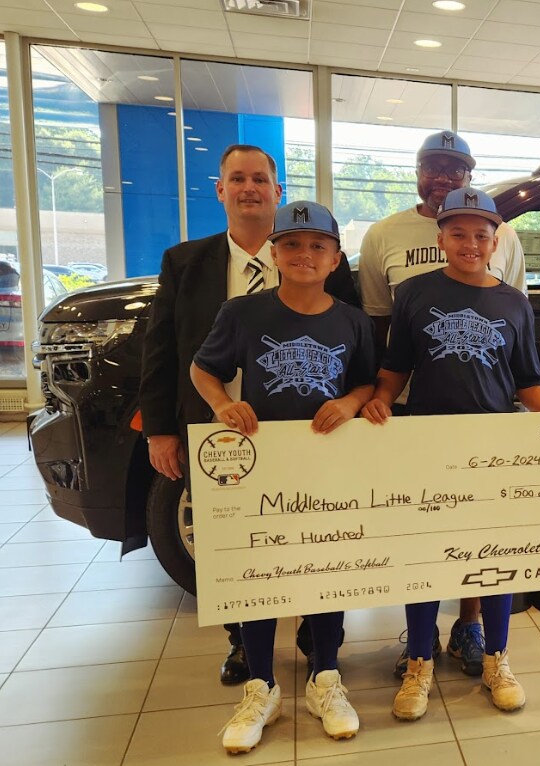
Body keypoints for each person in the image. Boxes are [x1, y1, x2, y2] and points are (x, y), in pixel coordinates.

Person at [139, 144, 358, 686]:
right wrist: (161, 431)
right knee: (231, 543)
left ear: (277, 191)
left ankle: (318, 635)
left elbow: (354, 343)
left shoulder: (323, 258)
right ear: (221, 190)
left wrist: (353, 403)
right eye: (237, 178)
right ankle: (244, 643)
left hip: (309, 431)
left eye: (260, 178)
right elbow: (162, 351)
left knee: (317, 532)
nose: (249, 188)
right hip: (219, 433)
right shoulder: (184, 263)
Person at [361, 187, 540, 721]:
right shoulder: (414, 293)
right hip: (428, 443)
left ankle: (497, 660)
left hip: (493, 447)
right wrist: (380, 401)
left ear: (496, 241)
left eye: (481, 234)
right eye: (457, 233)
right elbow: (397, 366)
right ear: (440, 240)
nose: (469, 242)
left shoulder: (513, 302)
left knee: (496, 559)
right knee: (424, 561)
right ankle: (418, 661)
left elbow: (527, 380)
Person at [190, 200, 376, 751]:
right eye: (292, 244)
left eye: (318, 245)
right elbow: (203, 369)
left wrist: (349, 401)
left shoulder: (353, 320)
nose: (304, 254)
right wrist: (223, 406)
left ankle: (325, 676)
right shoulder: (243, 314)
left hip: (328, 463)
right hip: (263, 466)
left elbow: (369, 383)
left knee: (325, 567)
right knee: (260, 575)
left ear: (336, 257)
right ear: (274, 253)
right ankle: (261, 685)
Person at [358, 129, 528, 678]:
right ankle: (420, 647)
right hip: (421, 418)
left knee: (486, 540)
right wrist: (379, 396)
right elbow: (384, 338)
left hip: (489, 426)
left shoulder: (509, 279)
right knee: (425, 539)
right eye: (433, 165)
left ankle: (475, 630)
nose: (443, 175)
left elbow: (521, 361)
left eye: (455, 167)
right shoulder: (389, 243)